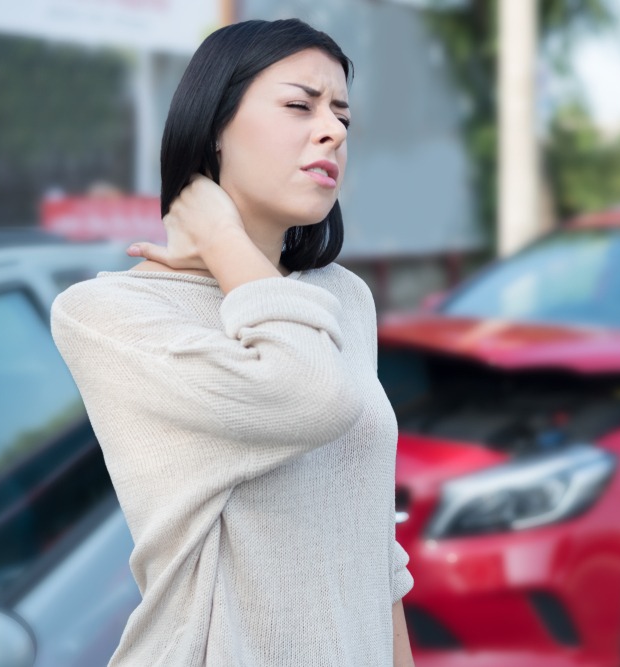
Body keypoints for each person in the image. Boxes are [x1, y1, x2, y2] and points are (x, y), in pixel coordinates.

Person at [51, 18, 414, 666]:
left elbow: (374, 552)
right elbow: (307, 395)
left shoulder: (343, 298)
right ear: (214, 127)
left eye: (341, 115)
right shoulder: (105, 313)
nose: (331, 129)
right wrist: (220, 238)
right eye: (300, 105)